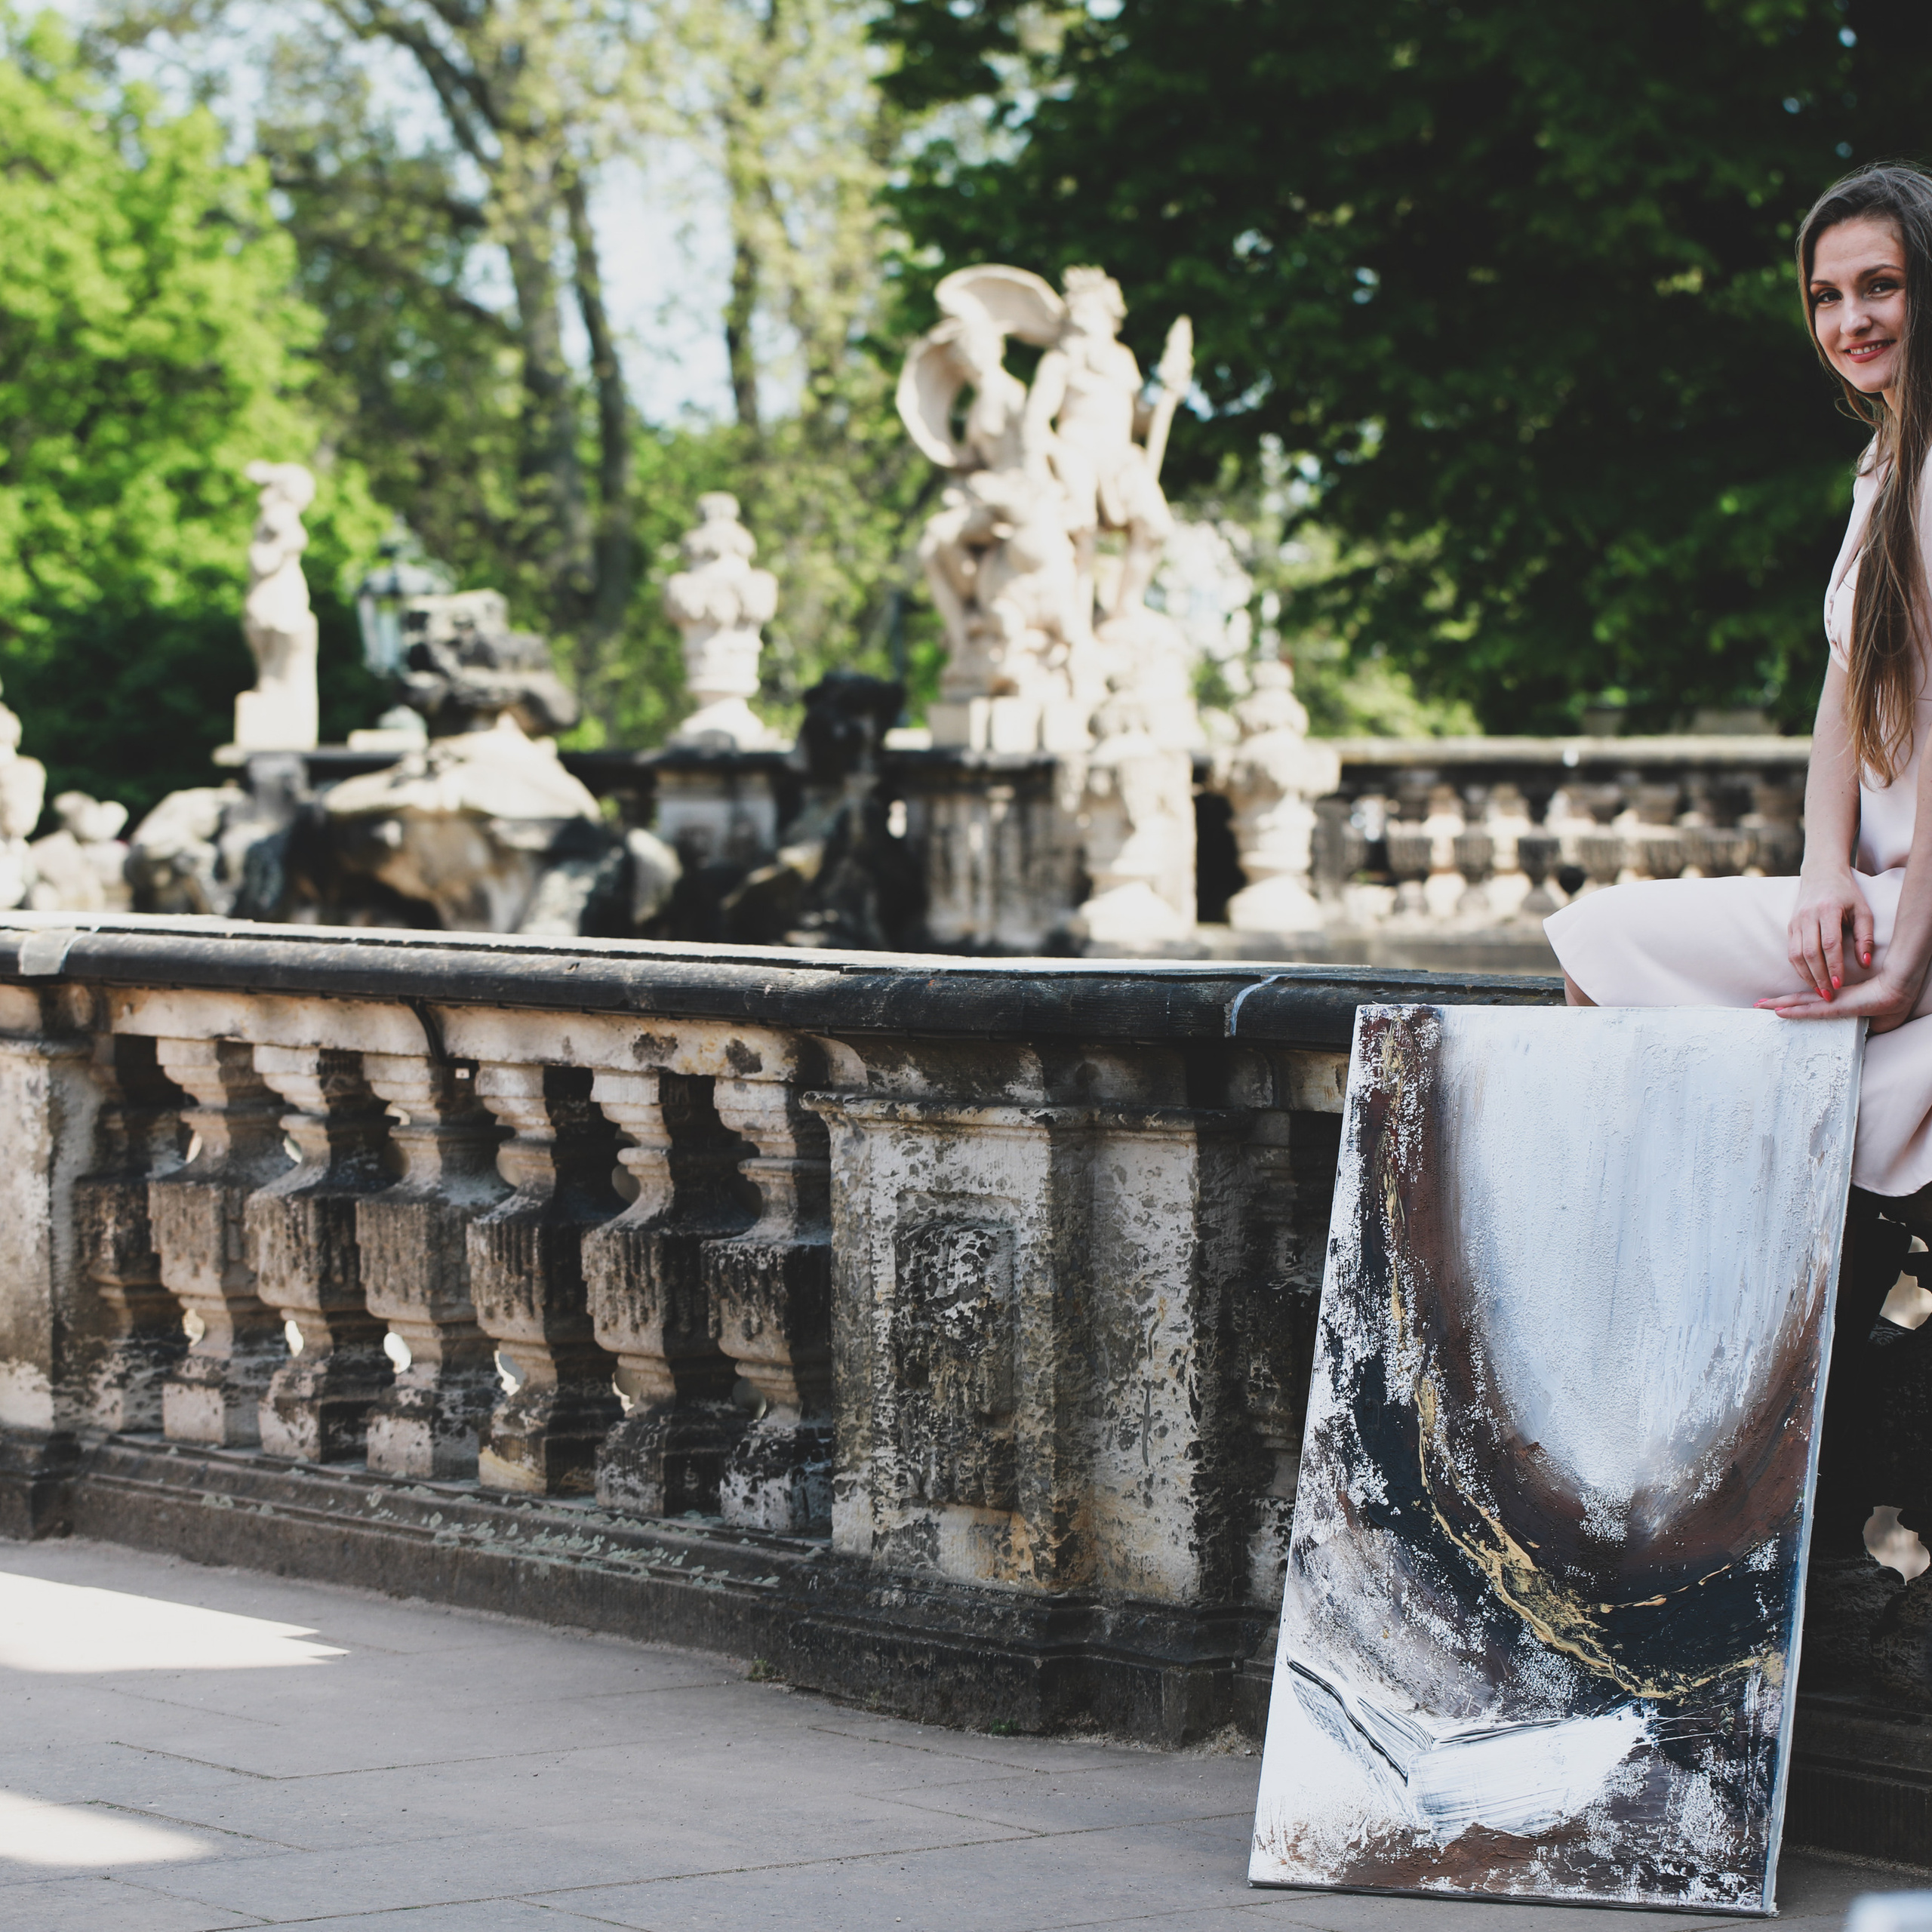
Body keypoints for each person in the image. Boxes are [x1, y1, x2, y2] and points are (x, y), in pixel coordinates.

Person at [1548, 162, 1932, 1213]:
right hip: (1877, 888)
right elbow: (1846, 700)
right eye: (1826, 296)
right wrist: (1820, 868)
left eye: (1881, 287)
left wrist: (1905, 957)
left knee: (1599, 942)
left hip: (1922, 906)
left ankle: (1669, 1257)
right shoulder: (1886, 465)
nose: (1850, 320)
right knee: (1623, 970)